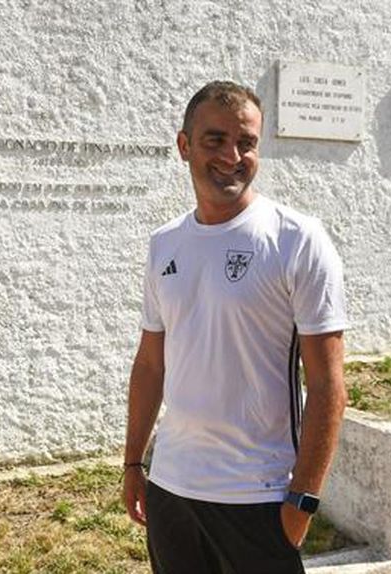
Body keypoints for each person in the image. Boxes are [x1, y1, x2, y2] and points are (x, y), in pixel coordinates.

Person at [122, 81, 350, 573]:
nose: (232, 156)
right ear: (184, 146)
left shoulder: (297, 240)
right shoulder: (165, 244)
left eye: (246, 143)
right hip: (171, 491)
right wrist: (134, 462)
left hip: (259, 497)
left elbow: (328, 384)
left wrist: (303, 501)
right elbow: (151, 364)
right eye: (216, 140)